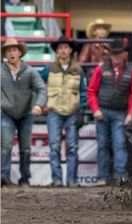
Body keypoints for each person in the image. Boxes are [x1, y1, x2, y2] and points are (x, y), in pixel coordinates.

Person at [88, 38, 132, 186]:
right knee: (103, 144)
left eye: (119, 54)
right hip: (103, 111)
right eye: (114, 54)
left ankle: (120, 177)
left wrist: (130, 113)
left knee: (118, 144)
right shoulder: (100, 70)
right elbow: (91, 91)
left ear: (124, 54)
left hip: (119, 113)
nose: (116, 57)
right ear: (110, 55)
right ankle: (103, 177)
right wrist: (96, 110)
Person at [1, 38, 47, 187]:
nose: (11, 53)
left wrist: (39, 105)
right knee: (6, 145)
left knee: (25, 147)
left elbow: (41, 89)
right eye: (8, 50)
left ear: (20, 53)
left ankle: (25, 178)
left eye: (14, 50)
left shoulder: (30, 71)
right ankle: (3, 176)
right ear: (5, 54)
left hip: (26, 114)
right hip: (6, 113)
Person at [42, 35, 87, 187]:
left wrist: (82, 111)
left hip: (72, 112)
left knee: (72, 147)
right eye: (60, 47)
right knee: (54, 146)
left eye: (66, 47)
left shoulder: (78, 70)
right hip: (54, 111)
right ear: (56, 51)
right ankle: (57, 180)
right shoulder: (48, 69)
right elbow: (37, 84)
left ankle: (71, 181)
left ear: (70, 50)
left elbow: (83, 93)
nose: (63, 50)